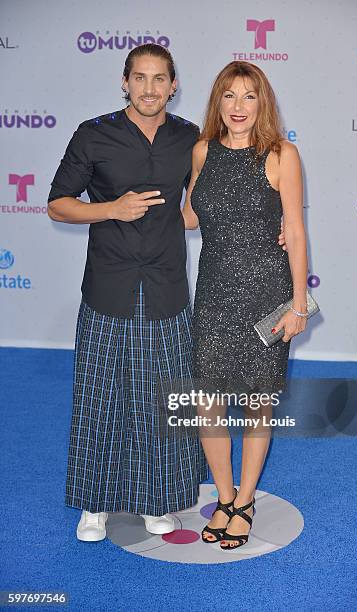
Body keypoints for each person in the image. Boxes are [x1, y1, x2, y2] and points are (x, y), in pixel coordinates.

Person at [47, 44, 213, 542]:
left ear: (173, 85)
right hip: (108, 285)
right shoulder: (93, 135)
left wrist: (265, 225)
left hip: (166, 286)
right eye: (139, 78)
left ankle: (156, 499)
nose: (149, 89)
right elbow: (58, 205)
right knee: (100, 395)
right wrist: (111, 209)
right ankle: (94, 507)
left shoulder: (190, 139)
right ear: (125, 82)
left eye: (159, 79)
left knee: (161, 399)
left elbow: (197, 210)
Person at [182, 61, 308, 549]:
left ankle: (246, 500)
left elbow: (295, 230)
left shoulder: (282, 155)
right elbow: (191, 217)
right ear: (218, 102)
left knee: (258, 405)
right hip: (213, 294)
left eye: (249, 96)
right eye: (229, 96)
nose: (238, 106)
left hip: (266, 295)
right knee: (207, 404)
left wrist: (297, 305)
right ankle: (226, 495)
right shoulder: (201, 151)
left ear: (263, 103)